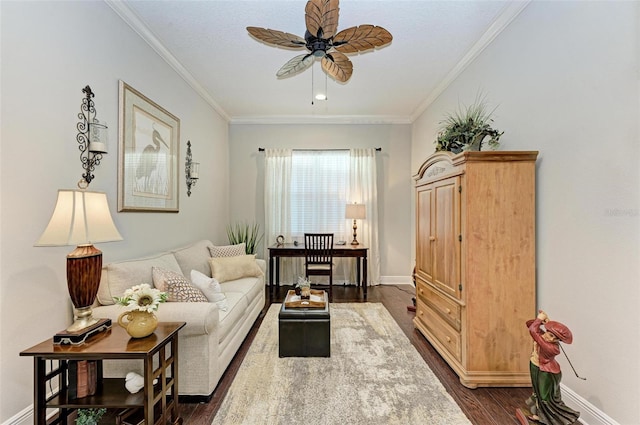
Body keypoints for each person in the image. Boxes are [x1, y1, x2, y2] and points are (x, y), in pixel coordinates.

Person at [524, 310, 580, 425]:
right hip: (536, 366)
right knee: (537, 393)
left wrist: (540, 319)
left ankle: (556, 419)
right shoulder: (544, 337)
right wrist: (545, 323)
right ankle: (540, 414)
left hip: (547, 372)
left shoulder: (552, 348)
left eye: (556, 339)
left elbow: (533, 331)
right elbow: (531, 325)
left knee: (546, 398)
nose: (551, 339)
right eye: (550, 335)